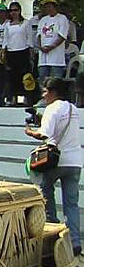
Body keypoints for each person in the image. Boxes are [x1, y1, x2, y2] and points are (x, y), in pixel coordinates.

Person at [24, 78, 82, 256]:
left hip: (54, 162)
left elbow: (44, 134)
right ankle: (74, 241)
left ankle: (53, 236)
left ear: (53, 92)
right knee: (71, 204)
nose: (43, 95)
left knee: (45, 197)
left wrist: (30, 131)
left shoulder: (52, 108)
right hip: (75, 162)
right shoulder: (73, 108)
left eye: (45, 91)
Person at [2, 1, 33, 106]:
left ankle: (26, 98)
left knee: (25, 76)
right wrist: (3, 52)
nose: (13, 12)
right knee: (12, 77)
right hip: (11, 52)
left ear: (20, 11)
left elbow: (29, 39)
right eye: (11, 10)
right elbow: (5, 40)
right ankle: (12, 98)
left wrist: (31, 52)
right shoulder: (7, 25)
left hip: (23, 51)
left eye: (16, 10)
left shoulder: (26, 23)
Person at [36, 0, 69, 85]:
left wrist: (52, 46)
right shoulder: (43, 20)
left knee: (56, 82)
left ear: (55, 7)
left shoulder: (62, 18)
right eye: (46, 7)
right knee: (42, 80)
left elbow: (62, 36)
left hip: (56, 57)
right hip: (43, 58)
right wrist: (40, 46)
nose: (48, 9)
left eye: (50, 6)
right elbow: (39, 35)